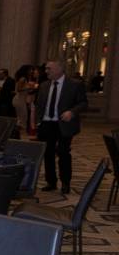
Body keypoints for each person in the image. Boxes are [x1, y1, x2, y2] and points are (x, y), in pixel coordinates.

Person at [35, 59, 88, 195]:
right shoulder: (44, 85)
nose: (46, 71)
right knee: (47, 154)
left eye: (49, 69)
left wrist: (72, 112)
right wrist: (37, 121)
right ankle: (51, 182)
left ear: (59, 69)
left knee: (63, 152)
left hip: (64, 124)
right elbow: (39, 104)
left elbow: (83, 103)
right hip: (46, 124)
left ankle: (65, 183)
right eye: (46, 68)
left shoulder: (75, 85)